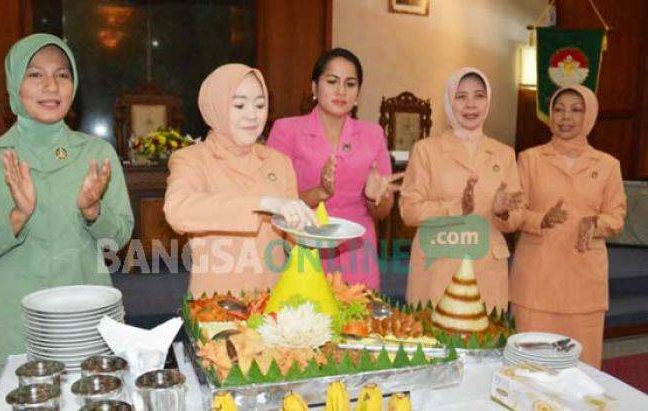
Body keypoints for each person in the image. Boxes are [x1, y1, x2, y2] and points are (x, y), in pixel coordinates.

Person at [0, 33, 134, 397]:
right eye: (35, 74)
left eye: (63, 75)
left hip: (89, 325)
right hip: (14, 329)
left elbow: (118, 240)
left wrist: (92, 210)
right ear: (13, 83)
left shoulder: (96, 153)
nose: (51, 86)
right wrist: (17, 216)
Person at [164, 63, 315, 296]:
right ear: (215, 106)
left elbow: (292, 239)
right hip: (215, 305)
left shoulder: (279, 162)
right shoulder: (191, 159)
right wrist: (264, 204)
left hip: (272, 303)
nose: (252, 115)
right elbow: (178, 210)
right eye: (239, 105)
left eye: (260, 104)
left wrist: (311, 232)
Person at [510, 85, 626, 368]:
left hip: (583, 284)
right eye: (559, 109)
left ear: (590, 115)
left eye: (576, 110)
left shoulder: (609, 165)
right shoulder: (529, 159)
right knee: (530, 368)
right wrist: (541, 219)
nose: (565, 117)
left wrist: (595, 223)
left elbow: (617, 217)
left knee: (581, 371)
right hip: (536, 281)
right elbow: (514, 214)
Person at [267, 48, 401, 290]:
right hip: (303, 249)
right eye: (332, 81)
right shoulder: (286, 131)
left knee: (358, 325)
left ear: (358, 93)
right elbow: (273, 204)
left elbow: (381, 213)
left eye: (350, 84)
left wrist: (375, 198)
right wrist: (318, 192)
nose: (341, 91)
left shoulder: (372, 135)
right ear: (314, 87)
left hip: (357, 252)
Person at [400, 67, 524, 312]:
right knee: (437, 344)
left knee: (483, 344)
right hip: (438, 268)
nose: (471, 104)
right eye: (461, 96)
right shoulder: (426, 150)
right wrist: (457, 208)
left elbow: (516, 218)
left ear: (488, 101)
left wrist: (501, 213)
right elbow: (409, 211)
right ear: (449, 101)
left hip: (486, 269)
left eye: (479, 96)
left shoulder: (504, 153)